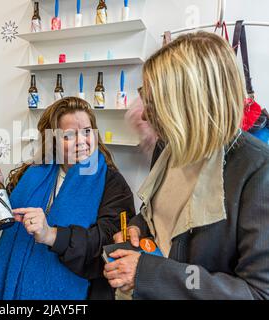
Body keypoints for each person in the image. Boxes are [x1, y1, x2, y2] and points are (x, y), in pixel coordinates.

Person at [104, 32, 269, 299]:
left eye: (154, 102)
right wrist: (137, 227)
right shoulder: (167, 148)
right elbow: (158, 213)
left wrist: (148, 273)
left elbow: (257, 292)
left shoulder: (258, 172)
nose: (144, 114)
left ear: (188, 102)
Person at [0, 97, 135, 300]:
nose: (81, 141)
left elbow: (106, 243)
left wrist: (51, 235)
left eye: (87, 131)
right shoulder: (32, 172)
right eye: (69, 135)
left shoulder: (112, 183)